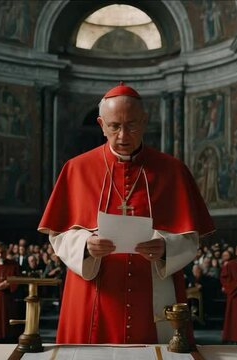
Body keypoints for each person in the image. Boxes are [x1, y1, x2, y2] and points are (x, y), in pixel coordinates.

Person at [38, 82, 214, 344]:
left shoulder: (173, 171)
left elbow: (191, 237)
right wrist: (85, 246)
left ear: (144, 121)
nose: (123, 136)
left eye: (131, 125)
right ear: (101, 124)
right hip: (93, 294)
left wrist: (166, 248)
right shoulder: (76, 170)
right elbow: (59, 234)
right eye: (114, 127)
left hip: (154, 292)